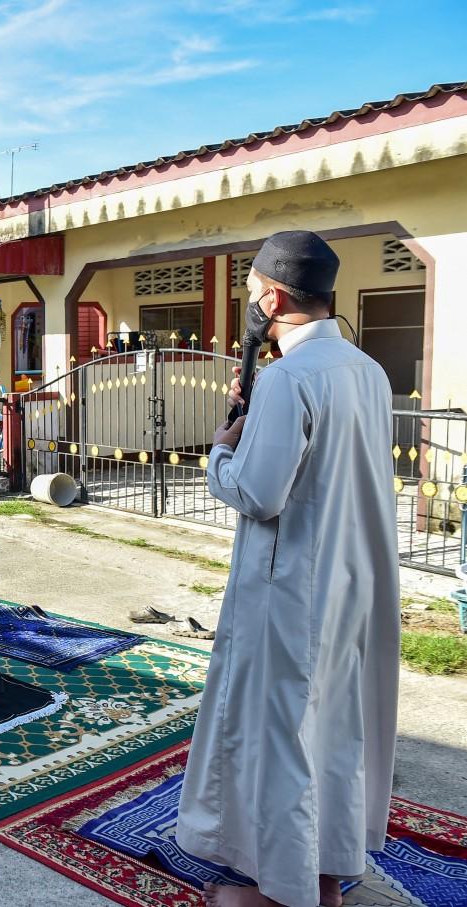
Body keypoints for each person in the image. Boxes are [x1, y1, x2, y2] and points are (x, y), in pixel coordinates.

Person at [177, 231, 399, 907]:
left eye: (249, 293)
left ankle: (283, 895)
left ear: (273, 296)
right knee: (331, 733)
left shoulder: (287, 378)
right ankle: (327, 877)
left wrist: (219, 455)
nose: (249, 304)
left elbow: (258, 493)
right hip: (351, 582)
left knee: (283, 746)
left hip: (291, 595)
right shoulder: (367, 369)